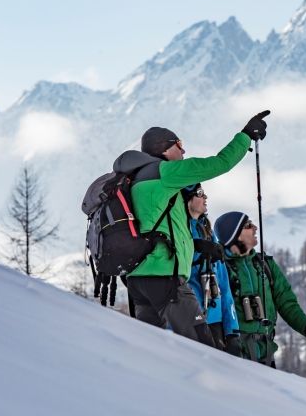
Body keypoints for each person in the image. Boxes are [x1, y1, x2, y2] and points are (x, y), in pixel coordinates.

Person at [112, 111, 269, 345]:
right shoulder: (165, 172)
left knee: (153, 350)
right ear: (165, 149)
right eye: (179, 144)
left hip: (137, 279)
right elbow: (220, 163)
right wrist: (246, 135)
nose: (183, 151)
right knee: (202, 349)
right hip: (165, 277)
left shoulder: (136, 179)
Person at [213, 211, 306, 366]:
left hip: (266, 353)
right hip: (234, 354)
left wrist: (305, 326)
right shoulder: (219, 267)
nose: (255, 228)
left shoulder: (265, 264)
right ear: (235, 235)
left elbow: (286, 302)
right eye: (248, 226)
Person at [181, 182, 242, 356]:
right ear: (187, 199)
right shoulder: (178, 230)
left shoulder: (208, 232)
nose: (205, 197)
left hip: (215, 322)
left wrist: (232, 331)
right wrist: (195, 247)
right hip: (188, 320)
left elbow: (224, 285)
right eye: (200, 193)